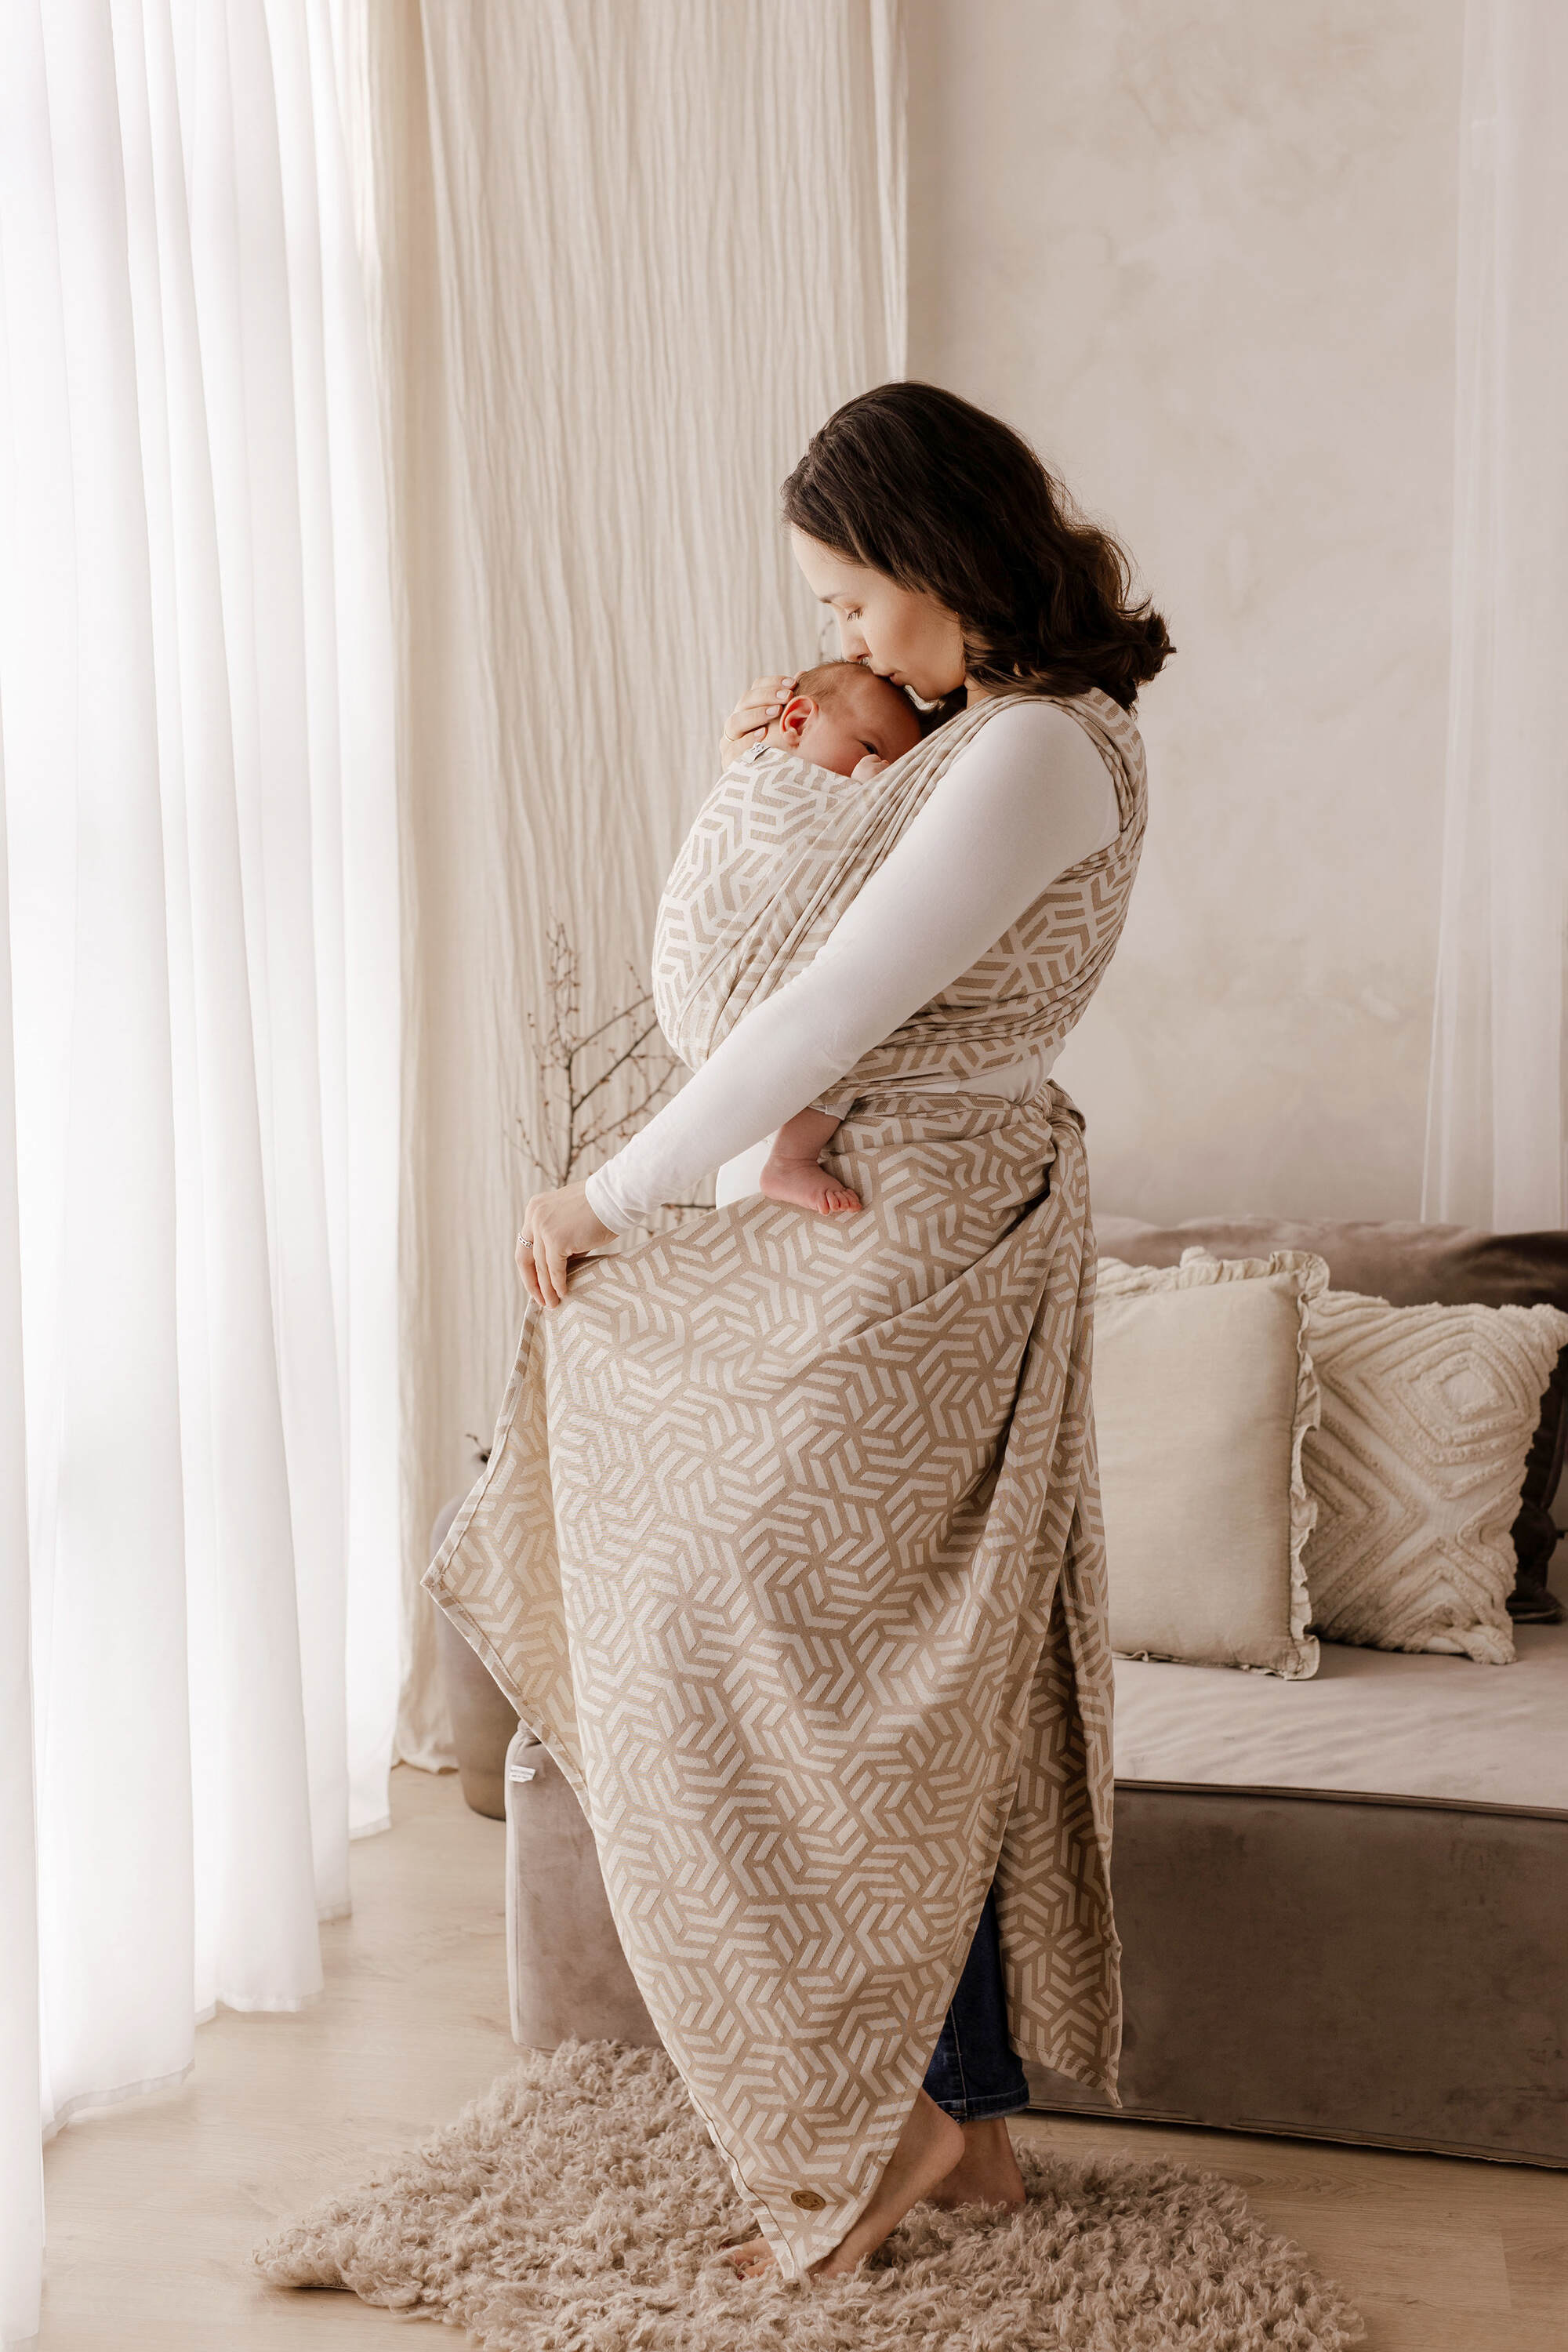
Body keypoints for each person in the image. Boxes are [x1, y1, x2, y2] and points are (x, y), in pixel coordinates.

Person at [426, 380, 1171, 2284]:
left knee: (797, 1661)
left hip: (914, 1246)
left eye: (848, 598)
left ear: (934, 555)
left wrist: (606, 1193)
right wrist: (798, 762)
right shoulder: (995, 729)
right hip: (876, 1224)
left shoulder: (1034, 750)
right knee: (915, 1681)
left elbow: (828, 1004)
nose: (835, 636)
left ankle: (890, 2112)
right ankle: (967, 2127)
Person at [743, 657, 929, 1218]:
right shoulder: (770, 783)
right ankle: (791, 1159)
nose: (879, 771)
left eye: (894, 769)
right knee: (849, 1038)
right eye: (869, 748)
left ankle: (785, 1157)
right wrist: (868, 803)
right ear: (798, 722)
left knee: (857, 1029)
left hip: (785, 981)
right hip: (751, 973)